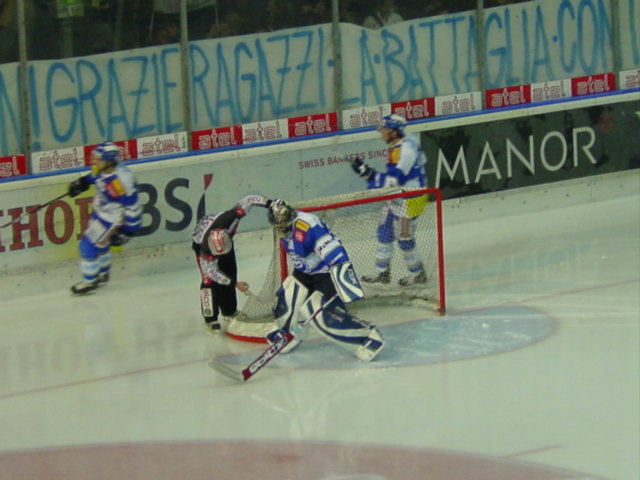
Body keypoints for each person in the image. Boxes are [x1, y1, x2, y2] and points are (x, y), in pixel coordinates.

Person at [265, 199, 384, 362]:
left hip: (325, 273)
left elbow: (334, 252)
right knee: (285, 301)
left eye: (282, 225)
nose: (280, 229)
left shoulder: (309, 225)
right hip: (304, 271)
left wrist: (343, 281)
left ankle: (367, 337)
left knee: (325, 317)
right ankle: (287, 334)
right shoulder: (284, 228)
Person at [349, 113, 428, 286]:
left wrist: (368, 174)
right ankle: (382, 273)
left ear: (393, 130)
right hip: (398, 194)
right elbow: (392, 180)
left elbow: (395, 180)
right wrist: (367, 173)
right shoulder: (398, 145)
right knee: (384, 232)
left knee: (404, 238)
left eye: (384, 129)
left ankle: (418, 274)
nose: (381, 132)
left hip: (411, 200)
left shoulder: (407, 149)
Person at [67, 142, 142, 295]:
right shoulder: (104, 168)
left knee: (87, 246)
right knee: (101, 246)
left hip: (110, 220)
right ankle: (102, 274)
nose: (95, 161)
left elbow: (133, 207)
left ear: (109, 161)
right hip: (100, 212)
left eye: (99, 159)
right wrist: (83, 182)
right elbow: (95, 176)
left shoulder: (121, 182)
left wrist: (128, 231)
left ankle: (90, 281)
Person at [191, 194, 271, 332]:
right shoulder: (205, 249)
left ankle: (229, 310)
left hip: (221, 239)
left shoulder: (231, 217)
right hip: (200, 242)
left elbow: (249, 200)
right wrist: (235, 284)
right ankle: (210, 318)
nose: (220, 256)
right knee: (208, 281)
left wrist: (270, 203)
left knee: (230, 271)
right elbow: (212, 272)